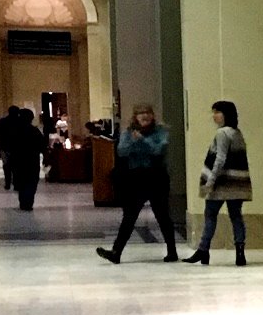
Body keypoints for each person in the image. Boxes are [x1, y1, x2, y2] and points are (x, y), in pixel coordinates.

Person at [96, 105, 176, 264]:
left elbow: (159, 150)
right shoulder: (128, 132)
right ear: (135, 117)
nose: (144, 116)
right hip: (136, 178)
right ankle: (116, 252)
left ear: (153, 115)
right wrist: (134, 141)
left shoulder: (160, 131)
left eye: (147, 113)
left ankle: (172, 251)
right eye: (140, 114)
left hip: (156, 177)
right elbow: (122, 151)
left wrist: (142, 140)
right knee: (129, 216)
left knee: (162, 215)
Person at [188, 99, 253, 266]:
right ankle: (240, 251)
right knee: (236, 216)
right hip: (237, 183)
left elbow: (220, 158)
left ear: (226, 114)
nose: (214, 116)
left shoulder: (222, 133)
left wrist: (210, 180)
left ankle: (203, 250)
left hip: (222, 183)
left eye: (217, 112)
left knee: (210, 215)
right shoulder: (237, 133)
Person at [2, 106, 46, 210]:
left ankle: (23, 202)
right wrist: (45, 157)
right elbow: (42, 146)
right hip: (32, 160)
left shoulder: (14, 131)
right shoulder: (35, 131)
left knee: (21, 181)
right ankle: (29, 202)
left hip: (18, 160)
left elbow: (8, 145)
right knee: (31, 181)